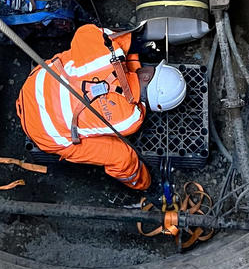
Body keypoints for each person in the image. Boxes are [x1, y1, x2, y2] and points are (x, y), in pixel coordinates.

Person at [16, 22, 186, 191]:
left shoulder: (107, 54)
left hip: (34, 86)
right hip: (41, 131)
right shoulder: (131, 119)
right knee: (121, 154)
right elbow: (133, 101)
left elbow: (86, 32)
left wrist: (132, 53)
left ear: (148, 74)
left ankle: (144, 184)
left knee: (122, 157)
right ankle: (144, 185)